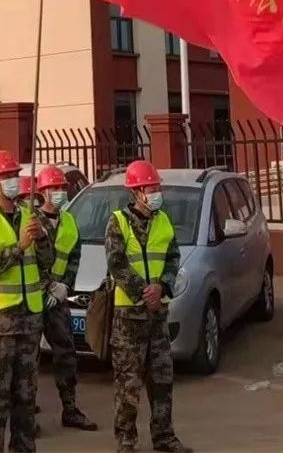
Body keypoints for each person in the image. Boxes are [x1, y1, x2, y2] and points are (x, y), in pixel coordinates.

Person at [0, 149, 51, 453]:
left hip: (28, 322)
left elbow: (46, 262)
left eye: (14, 175)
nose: (12, 181)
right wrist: (19, 246)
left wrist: (41, 238)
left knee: (25, 399)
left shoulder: (31, 216)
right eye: (5, 176)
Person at [105, 160, 190, 453]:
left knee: (162, 379)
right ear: (137, 192)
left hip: (157, 315)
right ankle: (126, 441)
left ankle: (164, 436)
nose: (156, 193)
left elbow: (173, 258)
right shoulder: (118, 222)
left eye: (157, 188)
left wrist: (162, 287)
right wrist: (144, 292)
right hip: (129, 317)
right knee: (128, 385)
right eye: (151, 188)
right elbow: (117, 264)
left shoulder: (163, 220)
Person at [34, 165, 96, 431]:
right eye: (54, 188)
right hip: (33, 299)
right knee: (29, 359)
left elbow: (74, 258)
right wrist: (47, 286)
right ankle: (27, 413)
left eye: (62, 188)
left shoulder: (69, 221)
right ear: (42, 192)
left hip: (58, 299)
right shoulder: (32, 221)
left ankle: (70, 409)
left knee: (66, 353)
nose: (59, 192)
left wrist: (64, 287)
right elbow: (30, 260)